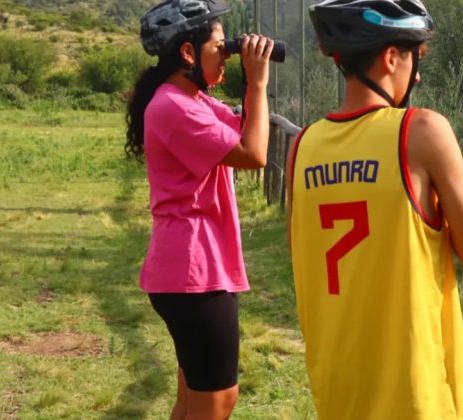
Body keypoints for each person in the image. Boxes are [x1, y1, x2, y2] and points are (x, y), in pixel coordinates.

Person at [286, 0, 463, 419]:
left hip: (339, 390)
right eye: (415, 59)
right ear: (390, 57)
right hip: (415, 397)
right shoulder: (420, 131)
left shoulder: (301, 147)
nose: (416, 75)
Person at [124, 0, 274, 418]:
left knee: (192, 397)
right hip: (195, 274)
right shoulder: (174, 106)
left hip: (191, 270)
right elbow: (254, 152)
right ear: (188, 52)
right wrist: (258, 84)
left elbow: (245, 128)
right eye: (221, 45)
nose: (226, 53)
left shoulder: (190, 99)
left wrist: (249, 78)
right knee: (217, 401)